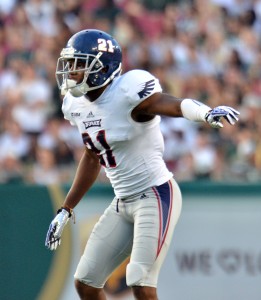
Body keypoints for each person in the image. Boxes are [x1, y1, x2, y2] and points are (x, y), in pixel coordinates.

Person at [45, 29, 239, 300]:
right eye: (70, 63)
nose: (71, 71)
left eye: (79, 63)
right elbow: (92, 156)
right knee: (86, 283)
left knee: (141, 282)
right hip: (122, 201)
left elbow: (169, 103)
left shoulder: (128, 92)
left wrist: (205, 112)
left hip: (156, 194)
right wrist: (66, 209)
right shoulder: (76, 105)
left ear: (102, 67)